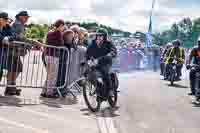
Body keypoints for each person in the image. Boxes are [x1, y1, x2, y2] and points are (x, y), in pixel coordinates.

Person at [86, 28, 117, 97]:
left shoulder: (109, 43)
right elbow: (87, 53)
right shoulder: (93, 43)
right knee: (89, 74)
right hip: (96, 63)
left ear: (105, 36)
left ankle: (110, 90)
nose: (99, 37)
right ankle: (98, 87)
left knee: (105, 72)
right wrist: (88, 59)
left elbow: (113, 51)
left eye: (101, 36)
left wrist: (110, 54)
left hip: (106, 62)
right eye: (98, 35)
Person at [41, 19, 66, 98]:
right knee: (53, 75)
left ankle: (44, 91)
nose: (63, 28)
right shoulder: (58, 33)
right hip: (54, 56)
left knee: (49, 75)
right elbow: (61, 43)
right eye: (63, 26)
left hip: (47, 55)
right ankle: (49, 93)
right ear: (60, 25)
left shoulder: (50, 32)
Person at [0, 12, 22, 95]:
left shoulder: (8, 27)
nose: (6, 21)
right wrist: (2, 38)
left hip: (3, 52)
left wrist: (7, 38)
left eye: (6, 19)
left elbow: (13, 36)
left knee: (0, 71)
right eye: (5, 19)